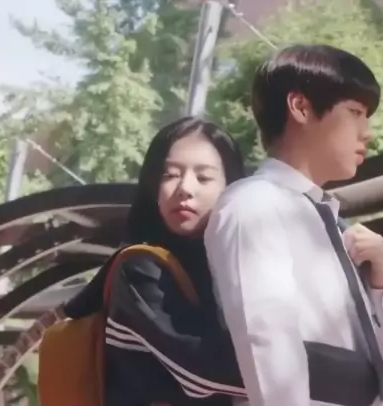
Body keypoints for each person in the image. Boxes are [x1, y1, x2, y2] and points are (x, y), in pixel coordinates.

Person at [204, 44, 383, 406]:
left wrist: (380, 285)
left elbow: (378, 369)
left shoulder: (328, 220)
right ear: (300, 107)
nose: (367, 132)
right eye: (355, 112)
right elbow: (268, 345)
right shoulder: (255, 206)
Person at [67, 116, 249, 406]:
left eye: (203, 178)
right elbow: (201, 372)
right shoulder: (140, 269)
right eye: (170, 175)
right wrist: (315, 370)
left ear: (231, 189)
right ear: (152, 187)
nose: (185, 188)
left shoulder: (235, 264)